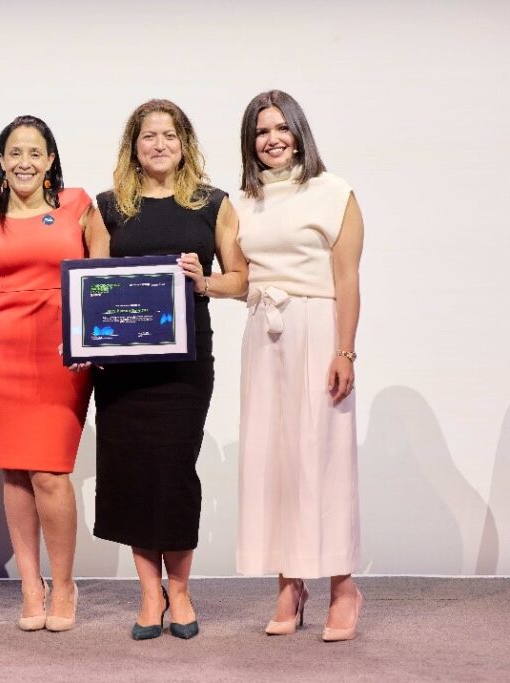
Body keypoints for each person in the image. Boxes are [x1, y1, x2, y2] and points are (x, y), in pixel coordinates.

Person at [94, 99, 247, 641]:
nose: (158, 144)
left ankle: (179, 592)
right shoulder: (108, 206)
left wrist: (203, 280)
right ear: (132, 146)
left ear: (184, 143)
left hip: (185, 365)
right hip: (122, 368)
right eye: (148, 136)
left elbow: (242, 280)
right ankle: (148, 595)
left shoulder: (213, 204)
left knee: (175, 472)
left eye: (169, 135)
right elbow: (93, 287)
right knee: (131, 471)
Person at [0, 115, 110, 632]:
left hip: (62, 348)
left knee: (50, 471)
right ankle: (29, 586)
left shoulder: (79, 205)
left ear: (50, 161)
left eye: (35, 153)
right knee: (15, 470)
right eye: (14, 152)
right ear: (1, 160)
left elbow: (100, 279)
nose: (24, 162)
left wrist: (97, 337)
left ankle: (63, 585)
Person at [233, 90, 364, 642]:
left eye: (281, 127)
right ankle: (290, 584)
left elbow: (348, 279)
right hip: (264, 336)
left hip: (317, 331)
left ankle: (342, 587)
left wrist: (345, 350)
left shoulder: (334, 193)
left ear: (300, 133)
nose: (272, 139)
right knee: (276, 459)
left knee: (325, 457)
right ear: (251, 141)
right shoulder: (241, 202)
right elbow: (239, 280)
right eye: (261, 130)